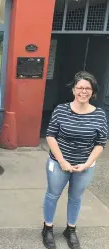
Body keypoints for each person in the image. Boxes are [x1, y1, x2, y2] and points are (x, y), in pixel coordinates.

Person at [42, 71, 108, 249]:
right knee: (52, 195)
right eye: (80, 87)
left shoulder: (99, 115)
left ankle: (70, 229)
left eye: (88, 88)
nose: (83, 91)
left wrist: (87, 163)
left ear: (92, 92)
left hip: (85, 165)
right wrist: (62, 161)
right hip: (58, 163)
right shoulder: (61, 110)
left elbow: (100, 143)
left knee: (76, 198)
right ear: (73, 90)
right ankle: (48, 228)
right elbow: (50, 135)